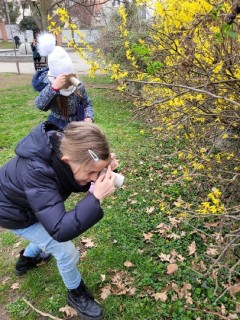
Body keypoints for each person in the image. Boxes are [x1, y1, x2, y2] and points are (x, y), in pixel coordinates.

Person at [0, 121, 119, 320]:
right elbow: (59, 229)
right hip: (11, 213)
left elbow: (71, 179)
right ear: (66, 160)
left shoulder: (64, 150)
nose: (92, 178)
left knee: (45, 233)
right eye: (91, 173)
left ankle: (26, 261)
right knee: (65, 250)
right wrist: (94, 197)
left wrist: (100, 171)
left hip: (28, 205)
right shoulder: (37, 170)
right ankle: (76, 293)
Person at [32, 32, 94, 129]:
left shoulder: (76, 84)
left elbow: (87, 103)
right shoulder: (48, 82)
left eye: (69, 74)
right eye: (63, 76)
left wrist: (88, 117)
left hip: (78, 124)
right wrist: (53, 88)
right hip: (57, 125)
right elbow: (40, 105)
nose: (67, 80)